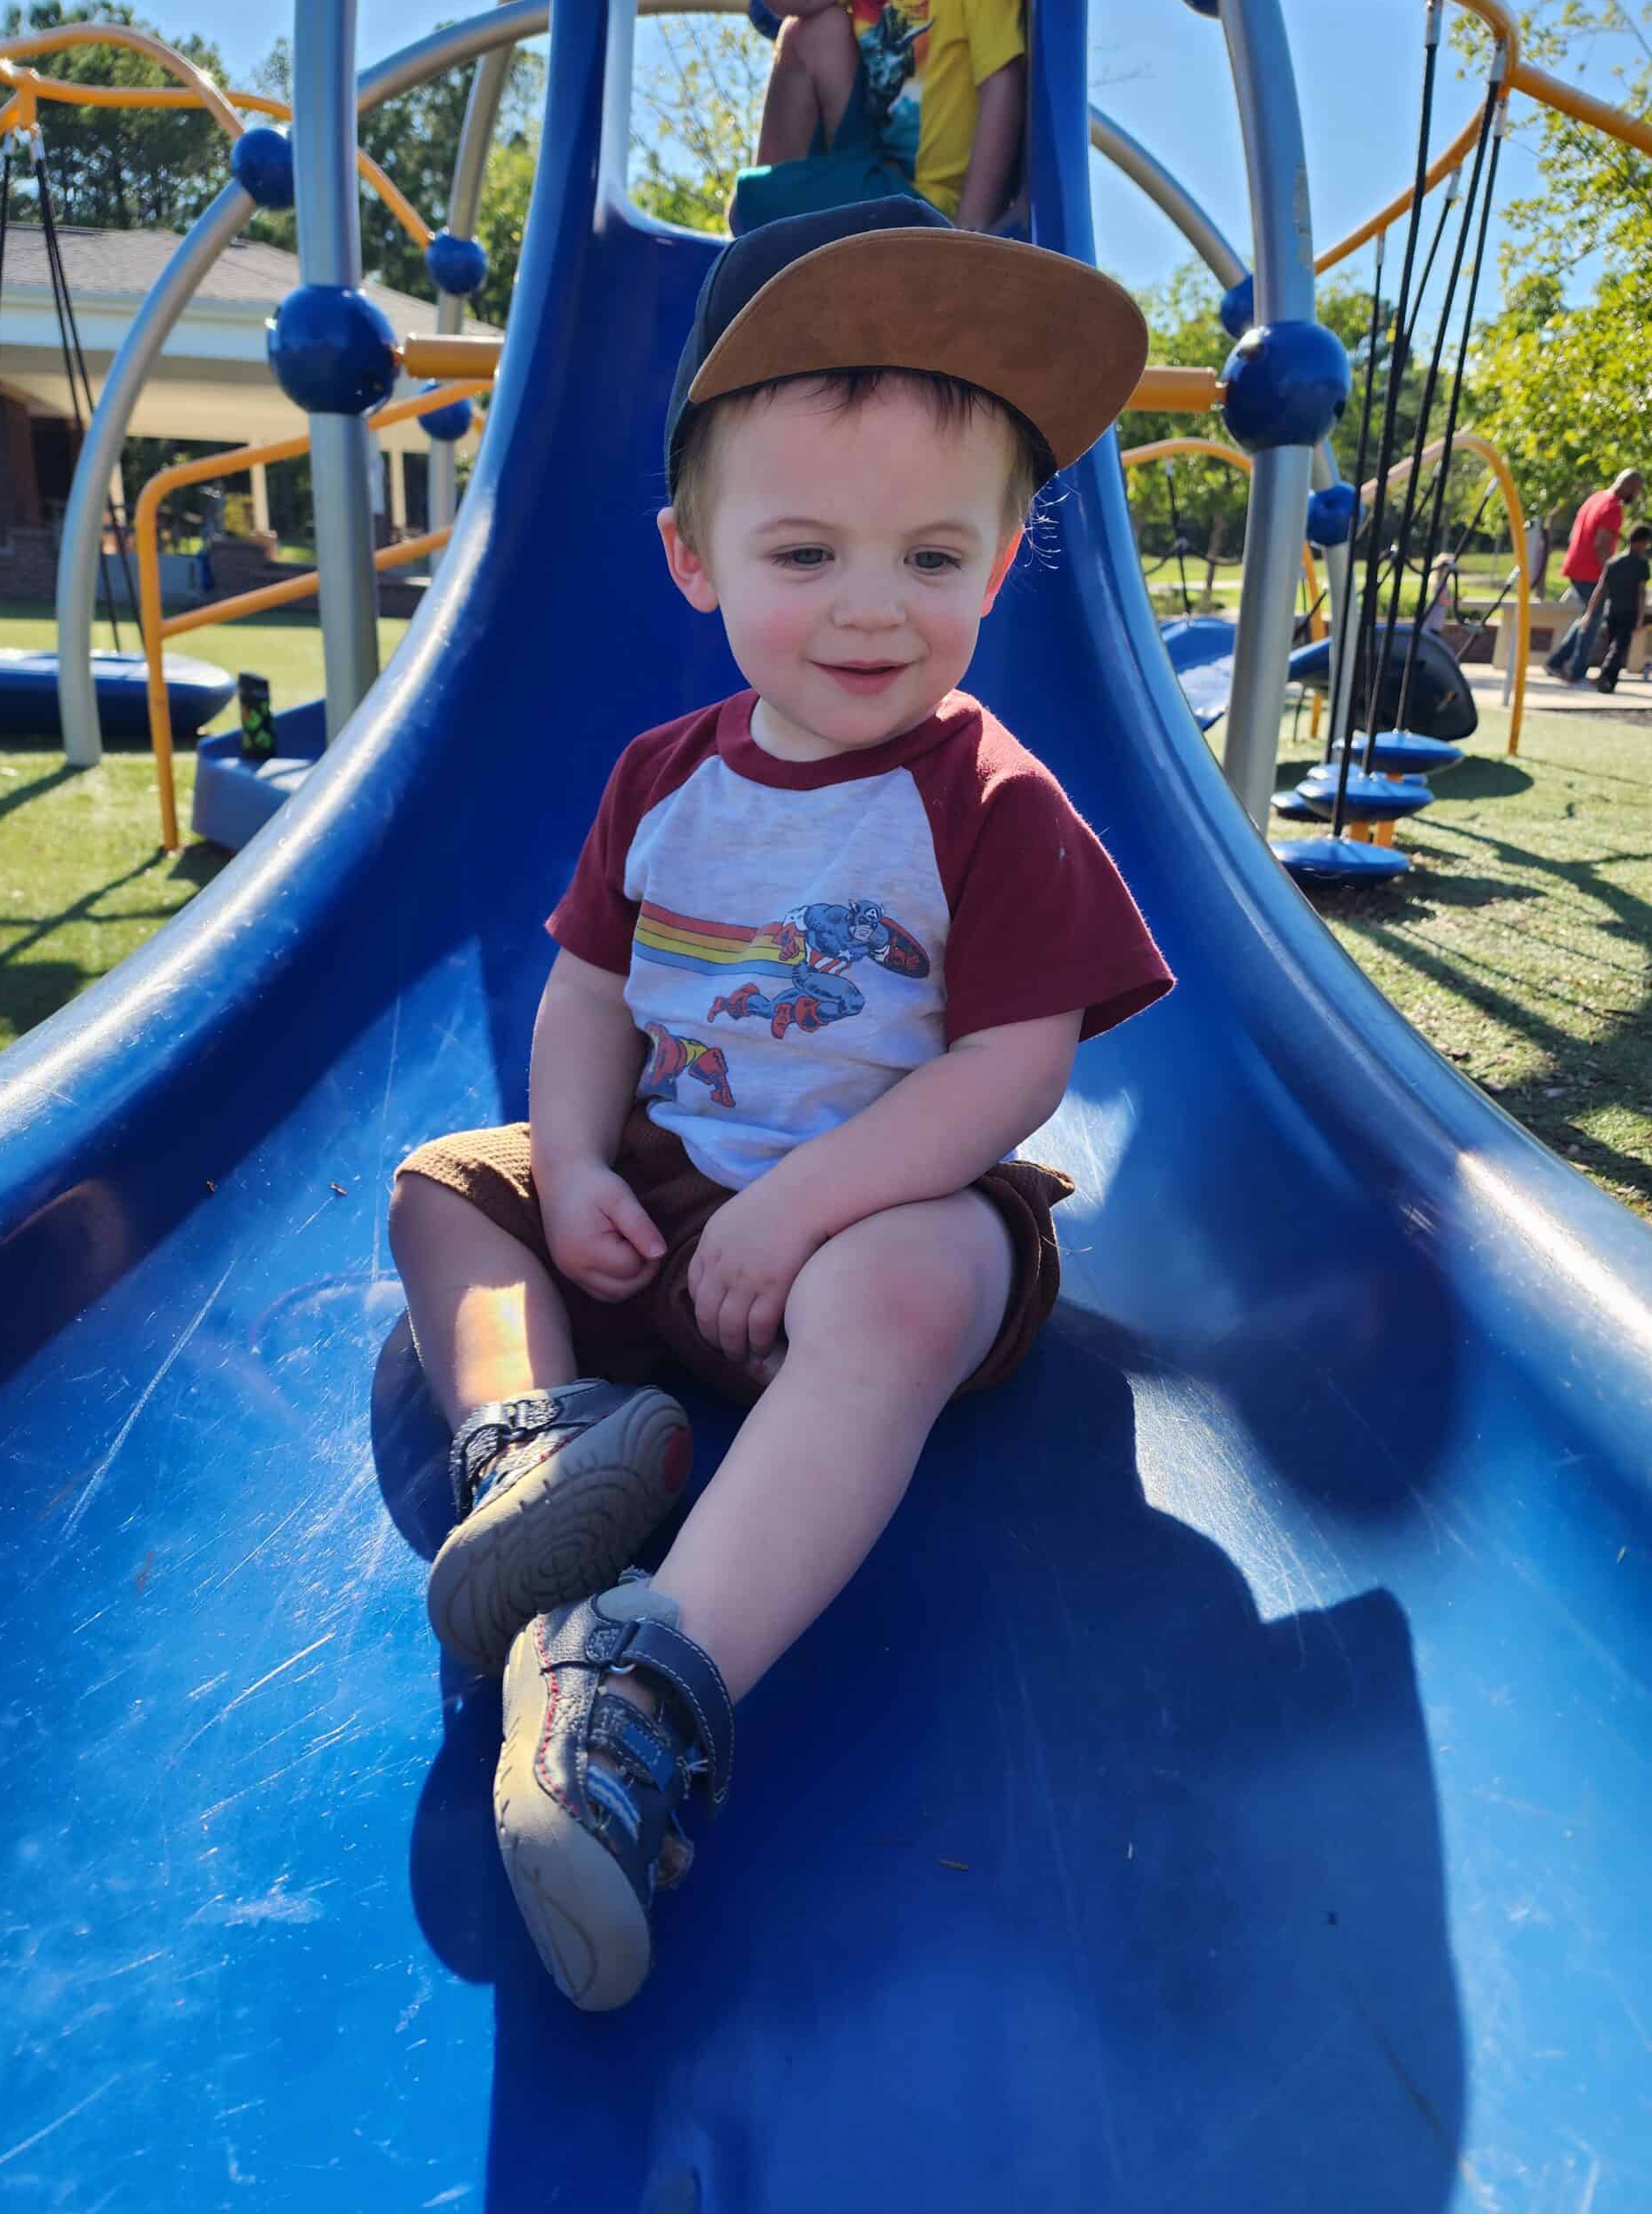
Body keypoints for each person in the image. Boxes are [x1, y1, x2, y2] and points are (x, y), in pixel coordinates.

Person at [387, 197, 1171, 2012]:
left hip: (884, 1216)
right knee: (446, 1180)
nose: (874, 606)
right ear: (694, 557)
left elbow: (1011, 1068)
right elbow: (591, 993)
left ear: (1000, 566)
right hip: (670, 1203)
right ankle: (537, 1439)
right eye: (808, 551)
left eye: (933, 552)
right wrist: (576, 1157)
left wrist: (804, 1206)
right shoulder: (658, 781)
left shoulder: (993, 796)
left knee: (907, 1278)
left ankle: (643, 1683)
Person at [731, 0, 1027, 234]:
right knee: (810, 30)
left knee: (751, 205)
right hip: (871, 166)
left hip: (928, 209)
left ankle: (768, 229)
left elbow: (1001, 82)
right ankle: (769, 233)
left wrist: (970, 230)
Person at [1546, 468, 1643, 682]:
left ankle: (1556, 661)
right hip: (1591, 572)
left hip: (1575, 565)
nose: (1635, 496)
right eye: (1635, 490)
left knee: (1587, 618)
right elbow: (1601, 545)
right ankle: (1576, 673)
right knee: (1592, 621)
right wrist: (1610, 575)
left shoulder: (1596, 498)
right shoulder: (1612, 509)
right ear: (1626, 485)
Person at [1589, 522, 1652, 694]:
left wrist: (1590, 611)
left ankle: (1610, 683)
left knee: (1613, 646)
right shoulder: (1641, 564)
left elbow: (1601, 588)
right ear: (1642, 541)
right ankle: (1605, 675)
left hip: (1612, 610)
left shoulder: (1613, 562)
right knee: (1619, 648)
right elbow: (1641, 593)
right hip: (1629, 611)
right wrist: (1640, 617)